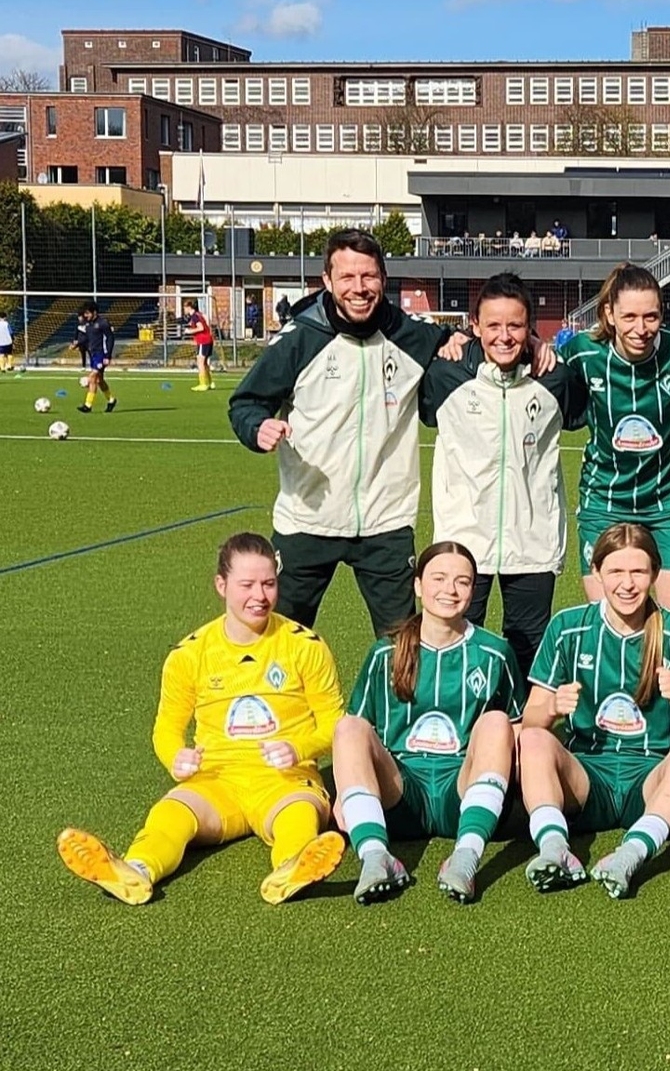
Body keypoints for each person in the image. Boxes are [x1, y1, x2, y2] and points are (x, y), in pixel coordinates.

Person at [57, 532, 346, 905]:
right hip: (216, 779)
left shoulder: (305, 646)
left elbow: (334, 723)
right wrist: (175, 756)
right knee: (171, 813)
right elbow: (167, 727)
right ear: (221, 585)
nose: (259, 596)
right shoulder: (189, 654)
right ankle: (135, 869)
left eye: (269, 584)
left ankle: (291, 867)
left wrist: (298, 747)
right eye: (247, 585)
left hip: (283, 780)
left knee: (299, 816)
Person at [229, 231, 460, 636]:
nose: (359, 288)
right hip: (307, 517)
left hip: (386, 521)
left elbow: (479, 344)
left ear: (383, 280)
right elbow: (245, 402)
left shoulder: (412, 335)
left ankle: (398, 703)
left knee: (402, 645)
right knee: (279, 639)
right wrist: (257, 427)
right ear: (328, 280)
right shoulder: (300, 339)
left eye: (368, 276)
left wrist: (472, 340)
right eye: (348, 277)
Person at [517, 524, 670, 898]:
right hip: (586, 776)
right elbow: (531, 717)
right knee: (536, 741)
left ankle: (632, 852)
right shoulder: (567, 627)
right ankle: (555, 849)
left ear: (655, 574)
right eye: (616, 572)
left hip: (652, 777)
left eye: (638, 572)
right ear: (596, 573)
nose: (628, 584)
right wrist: (553, 708)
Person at [332, 541, 525, 905]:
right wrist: (345, 792)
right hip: (399, 796)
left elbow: (516, 726)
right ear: (418, 585)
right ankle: (376, 858)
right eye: (438, 578)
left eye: (462, 582)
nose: (449, 590)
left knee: (497, 722)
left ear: (473, 590)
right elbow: (355, 737)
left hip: (462, 794)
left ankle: (466, 857)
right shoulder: (384, 653)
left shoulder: (495, 652)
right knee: (349, 728)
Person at [421, 273, 588, 670]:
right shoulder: (446, 375)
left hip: (532, 540)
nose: (504, 336)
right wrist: (446, 338)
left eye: (515, 325)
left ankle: (521, 730)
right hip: (463, 539)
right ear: (475, 326)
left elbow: (581, 410)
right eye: (493, 325)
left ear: (529, 328)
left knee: (528, 652)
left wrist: (550, 353)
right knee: (455, 641)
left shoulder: (554, 378)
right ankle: (456, 727)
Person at [559, 264, 670, 620]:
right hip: (604, 500)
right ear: (609, 313)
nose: (640, 329)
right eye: (629, 316)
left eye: (651, 316)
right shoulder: (584, 352)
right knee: (606, 620)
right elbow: (547, 369)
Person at [74, 299, 115, 413]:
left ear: (94, 312)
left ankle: (88, 405)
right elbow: (87, 338)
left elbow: (110, 339)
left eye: (87, 313)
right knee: (99, 381)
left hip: (101, 355)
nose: (85, 315)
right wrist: (77, 344)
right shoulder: (88, 324)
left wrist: (108, 356)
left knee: (92, 377)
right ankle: (111, 400)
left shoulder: (103, 323)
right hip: (93, 355)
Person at [183, 300, 216, 391]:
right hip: (207, 340)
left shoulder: (195, 316)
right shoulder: (198, 315)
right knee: (204, 363)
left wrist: (189, 331)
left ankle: (203, 384)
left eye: (185, 307)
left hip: (203, 341)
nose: (184, 309)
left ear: (189, 307)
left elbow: (200, 327)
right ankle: (209, 382)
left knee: (200, 362)